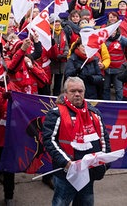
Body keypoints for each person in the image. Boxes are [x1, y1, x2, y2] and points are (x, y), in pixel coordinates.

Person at [42, 77, 111, 205]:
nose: (77, 94)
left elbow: (104, 139)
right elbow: (49, 140)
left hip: (88, 173)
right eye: (73, 91)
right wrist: (67, 163)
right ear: (65, 93)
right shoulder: (56, 114)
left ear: (84, 92)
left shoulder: (94, 113)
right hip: (65, 174)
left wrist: (104, 164)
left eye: (80, 91)